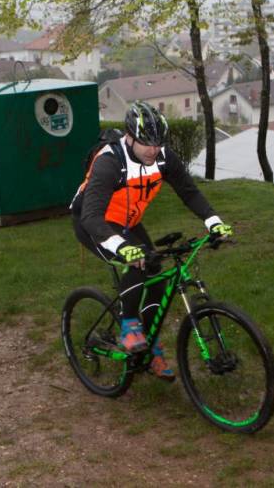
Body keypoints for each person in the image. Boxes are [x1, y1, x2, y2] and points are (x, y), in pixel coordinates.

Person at [70, 101, 232, 381]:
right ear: (129, 136)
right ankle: (129, 326)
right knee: (138, 263)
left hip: (127, 222)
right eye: (146, 142)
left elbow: (189, 192)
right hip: (93, 223)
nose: (153, 149)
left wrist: (213, 221)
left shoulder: (164, 158)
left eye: (158, 143)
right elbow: (91, 216)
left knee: (156, 273)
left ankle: (149, 343)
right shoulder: (110, 162)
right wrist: (122, 247)